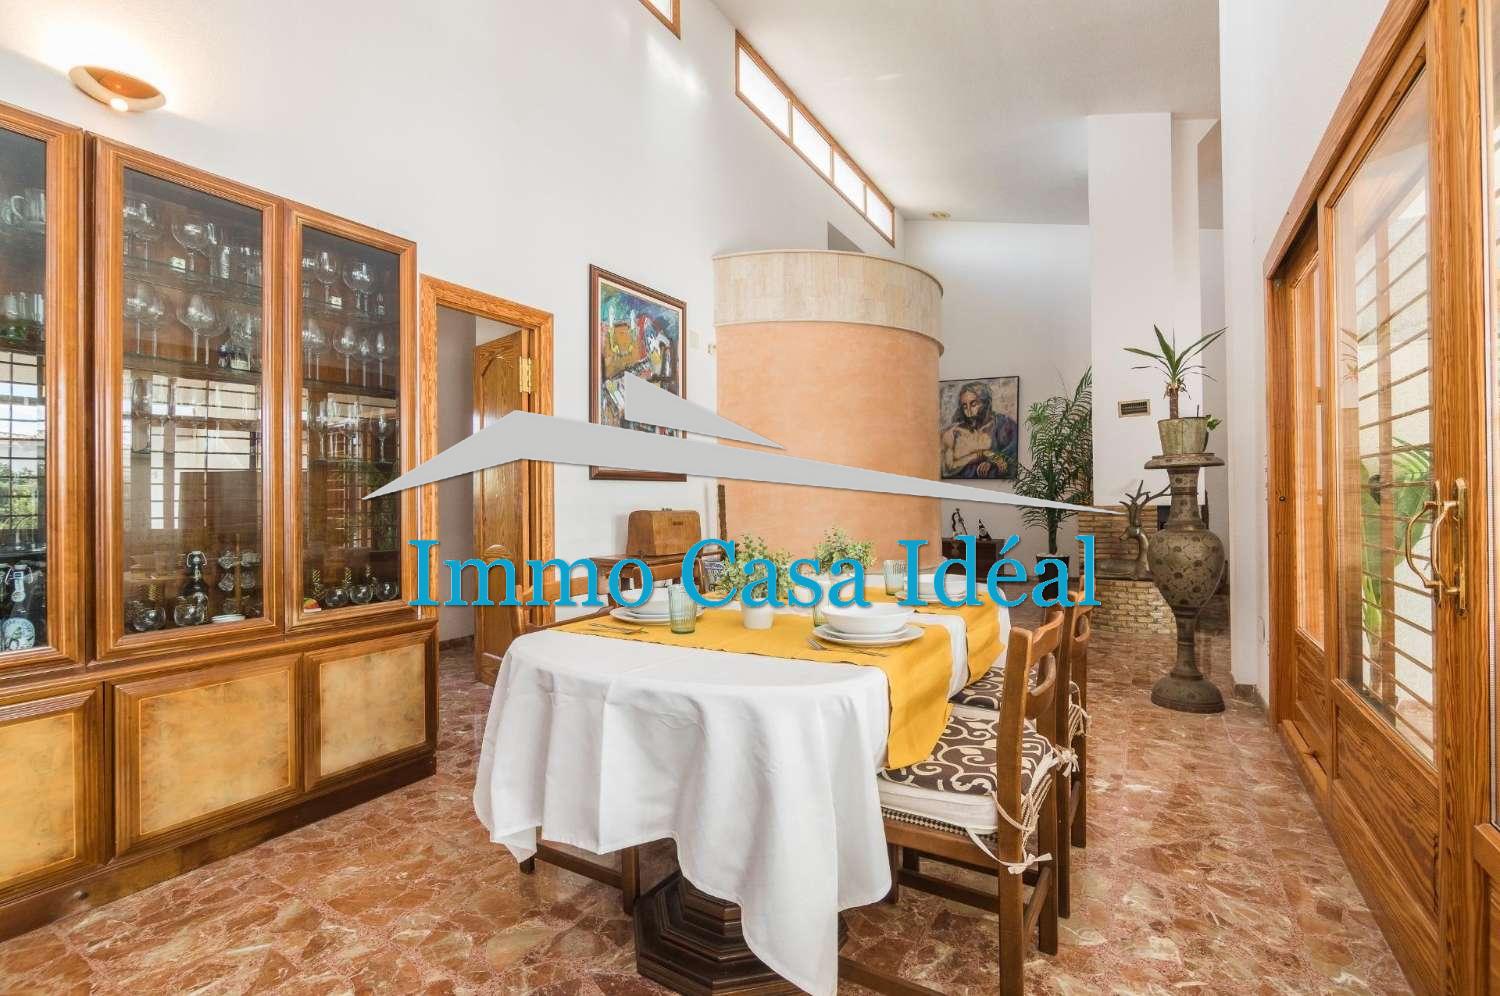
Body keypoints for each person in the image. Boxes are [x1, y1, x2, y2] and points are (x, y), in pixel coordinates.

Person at [940, 381, 1017, 479]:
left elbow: (1013, 456)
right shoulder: (952, 433)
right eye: (964, 406)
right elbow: (947, 470)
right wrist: (981, 454)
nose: (969, 412)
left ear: (986, 403)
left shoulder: (1005, 425)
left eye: (973, 404)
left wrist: (992, 462)